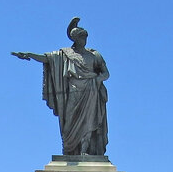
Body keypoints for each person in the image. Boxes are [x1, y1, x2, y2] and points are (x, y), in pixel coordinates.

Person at [13, 17, 110, 157]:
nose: (84, 39)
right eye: (82, 37)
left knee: (89, 121)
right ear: (75, 39)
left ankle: (84, 151)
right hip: (73, 90)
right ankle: (68, 150)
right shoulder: (65, 54)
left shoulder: (94, 55)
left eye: (85, 37)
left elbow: (106, 73)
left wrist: (97, 80)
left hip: (91, 90)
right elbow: (47, 58)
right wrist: (29, 55)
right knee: (69, 121)